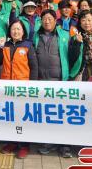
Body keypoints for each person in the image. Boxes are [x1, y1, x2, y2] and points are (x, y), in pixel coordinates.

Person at [33, 10, 82, 158]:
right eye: (44, 19)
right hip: (42, 82)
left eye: (50, 18)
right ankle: (48, 143)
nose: (47, 21)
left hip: (60, 82)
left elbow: (74, 56)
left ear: (56, 21)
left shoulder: (65, 35)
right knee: (48, 115)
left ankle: (65, 145)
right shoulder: (36, 36)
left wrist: (73, 75)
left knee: (62, 114)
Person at [0, 20, 38, 159]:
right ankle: (12, 142)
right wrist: (0, 47)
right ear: (10, 31)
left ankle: (24, 145)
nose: (16, 31)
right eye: (13, 29)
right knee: (10, 116)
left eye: (18, 29)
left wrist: (32, 87)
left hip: (23, 88)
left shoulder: (28, 46)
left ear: (23, 31)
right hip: (7, 88)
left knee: (23, 117)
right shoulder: (5, 45)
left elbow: (34, 67)